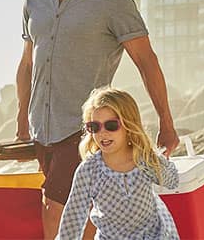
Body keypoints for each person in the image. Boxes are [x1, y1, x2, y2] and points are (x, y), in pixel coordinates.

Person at [15, 0, 180, 239]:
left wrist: (166, 120)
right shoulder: (34, 0)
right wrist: (23, 117)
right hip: (42, 127)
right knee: (83, 207)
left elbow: (146, 60)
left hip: (86, 126)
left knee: (55, 209)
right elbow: (26, 64)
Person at [56, 87, 179, 239]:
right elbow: (73, 218)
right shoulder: (89, 171)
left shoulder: (143, 159)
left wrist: (155, 160)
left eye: (111, 125)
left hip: (153, 235)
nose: (102, 132)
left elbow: (172, 181)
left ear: (128, 126)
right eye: (94, 127)